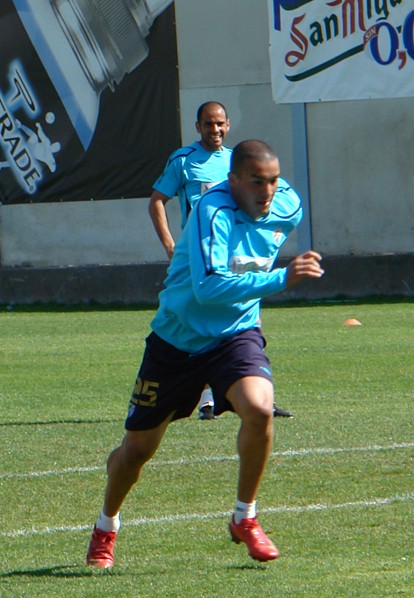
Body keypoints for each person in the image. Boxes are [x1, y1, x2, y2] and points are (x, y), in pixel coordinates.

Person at [86, 140, 324, 567]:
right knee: (136, 452)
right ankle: (106, 525)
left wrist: (266, 279)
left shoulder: (288, 206)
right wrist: (280, 279)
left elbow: (255, 252)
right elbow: (208, 289)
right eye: (256, 182)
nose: (267, 191)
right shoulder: (210, 213)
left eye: (272, 181)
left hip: (234, 335)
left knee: (259, 409)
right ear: (232, 181)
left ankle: (244, 517)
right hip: (176, 341)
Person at [148, 101, 293, 420]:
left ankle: (257, 395)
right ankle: (204, 398)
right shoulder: (184, 161)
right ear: (197, 127)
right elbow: (157, 200)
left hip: (238, 256)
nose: (215, 130)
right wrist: (170, 242)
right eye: (208, 124)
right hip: (200, 259)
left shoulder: (238, 163)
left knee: (248, 320)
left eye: (220, 124)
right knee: (198, 319)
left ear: (228, 126)